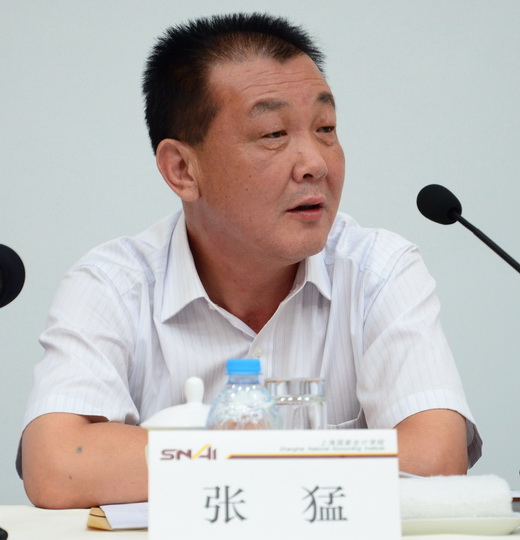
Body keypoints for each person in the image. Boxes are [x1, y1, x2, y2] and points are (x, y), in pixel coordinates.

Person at [18, 12, 482, 509]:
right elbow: (59, 465)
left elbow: (435, 458)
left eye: (326, 128)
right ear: (182, 169)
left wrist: (205, 459)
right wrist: (329, 458)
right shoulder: (111, 286)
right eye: (273, 134)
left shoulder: (379, 271)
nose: (315, 163)